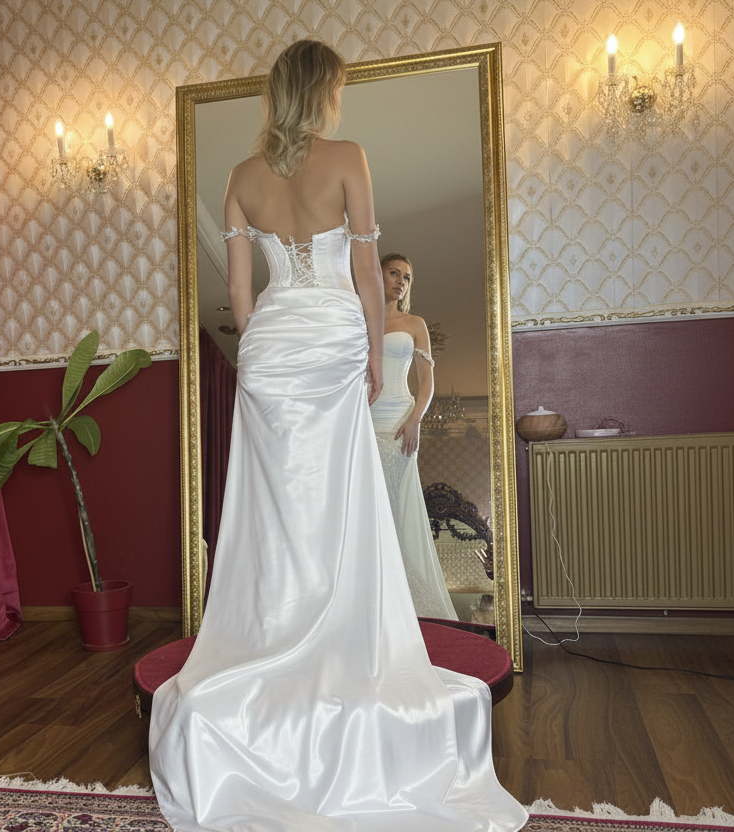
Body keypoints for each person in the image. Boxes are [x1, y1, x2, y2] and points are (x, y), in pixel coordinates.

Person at [148, 40, 528, 832]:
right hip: (328, 342)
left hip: (272, 347)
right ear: (322, 92)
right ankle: (338, 645)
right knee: (340, 500)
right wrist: (370, 359)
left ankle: (267, 639)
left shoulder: (240, 178)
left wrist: (256, 349)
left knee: (277, 507)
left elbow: (240, 292)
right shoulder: (349, 155)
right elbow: (365, 279)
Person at [370, 254, 459, 619]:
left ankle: (401, 600)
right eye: (394, 273)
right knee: (368, 505)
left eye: (406, 278)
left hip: (399, 421)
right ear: (377, 274)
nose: (401, 282)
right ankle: (373, 593)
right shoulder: (360, 318)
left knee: (393, 504)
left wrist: (415, 420)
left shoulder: (414, 323)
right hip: (363, 421)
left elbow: (427, 380)